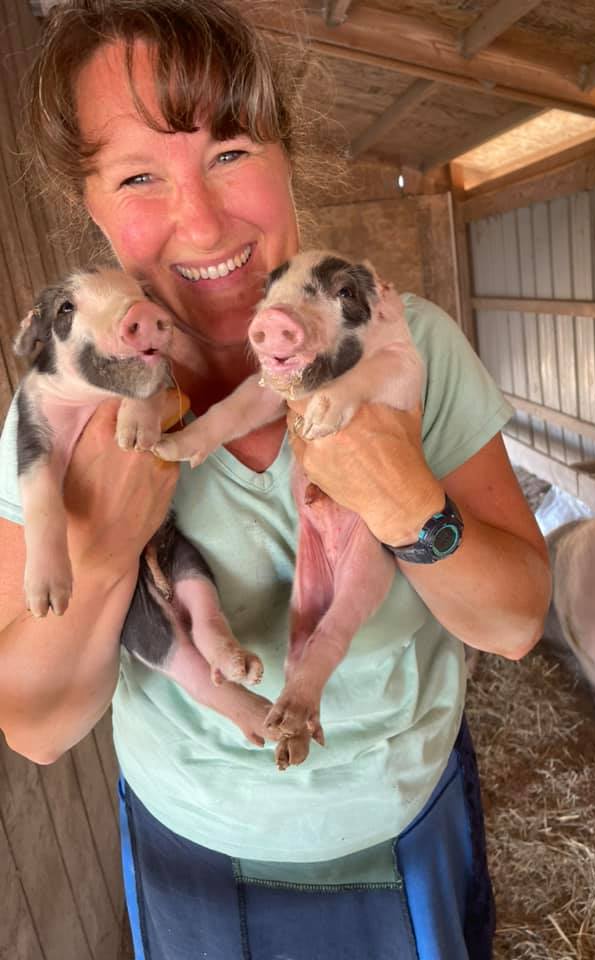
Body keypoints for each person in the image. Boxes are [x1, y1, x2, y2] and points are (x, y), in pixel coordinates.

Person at [0, 2, 551, 957]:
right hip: (194, 840)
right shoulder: (68, 406)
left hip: (405, 817)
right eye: (139, 176)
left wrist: (405, 500)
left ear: (286, 153)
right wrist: (102, 555)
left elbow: (513, 624)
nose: (203, 220)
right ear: (91, 206)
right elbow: (38, 730)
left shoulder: (407, 346)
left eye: (230, 152)